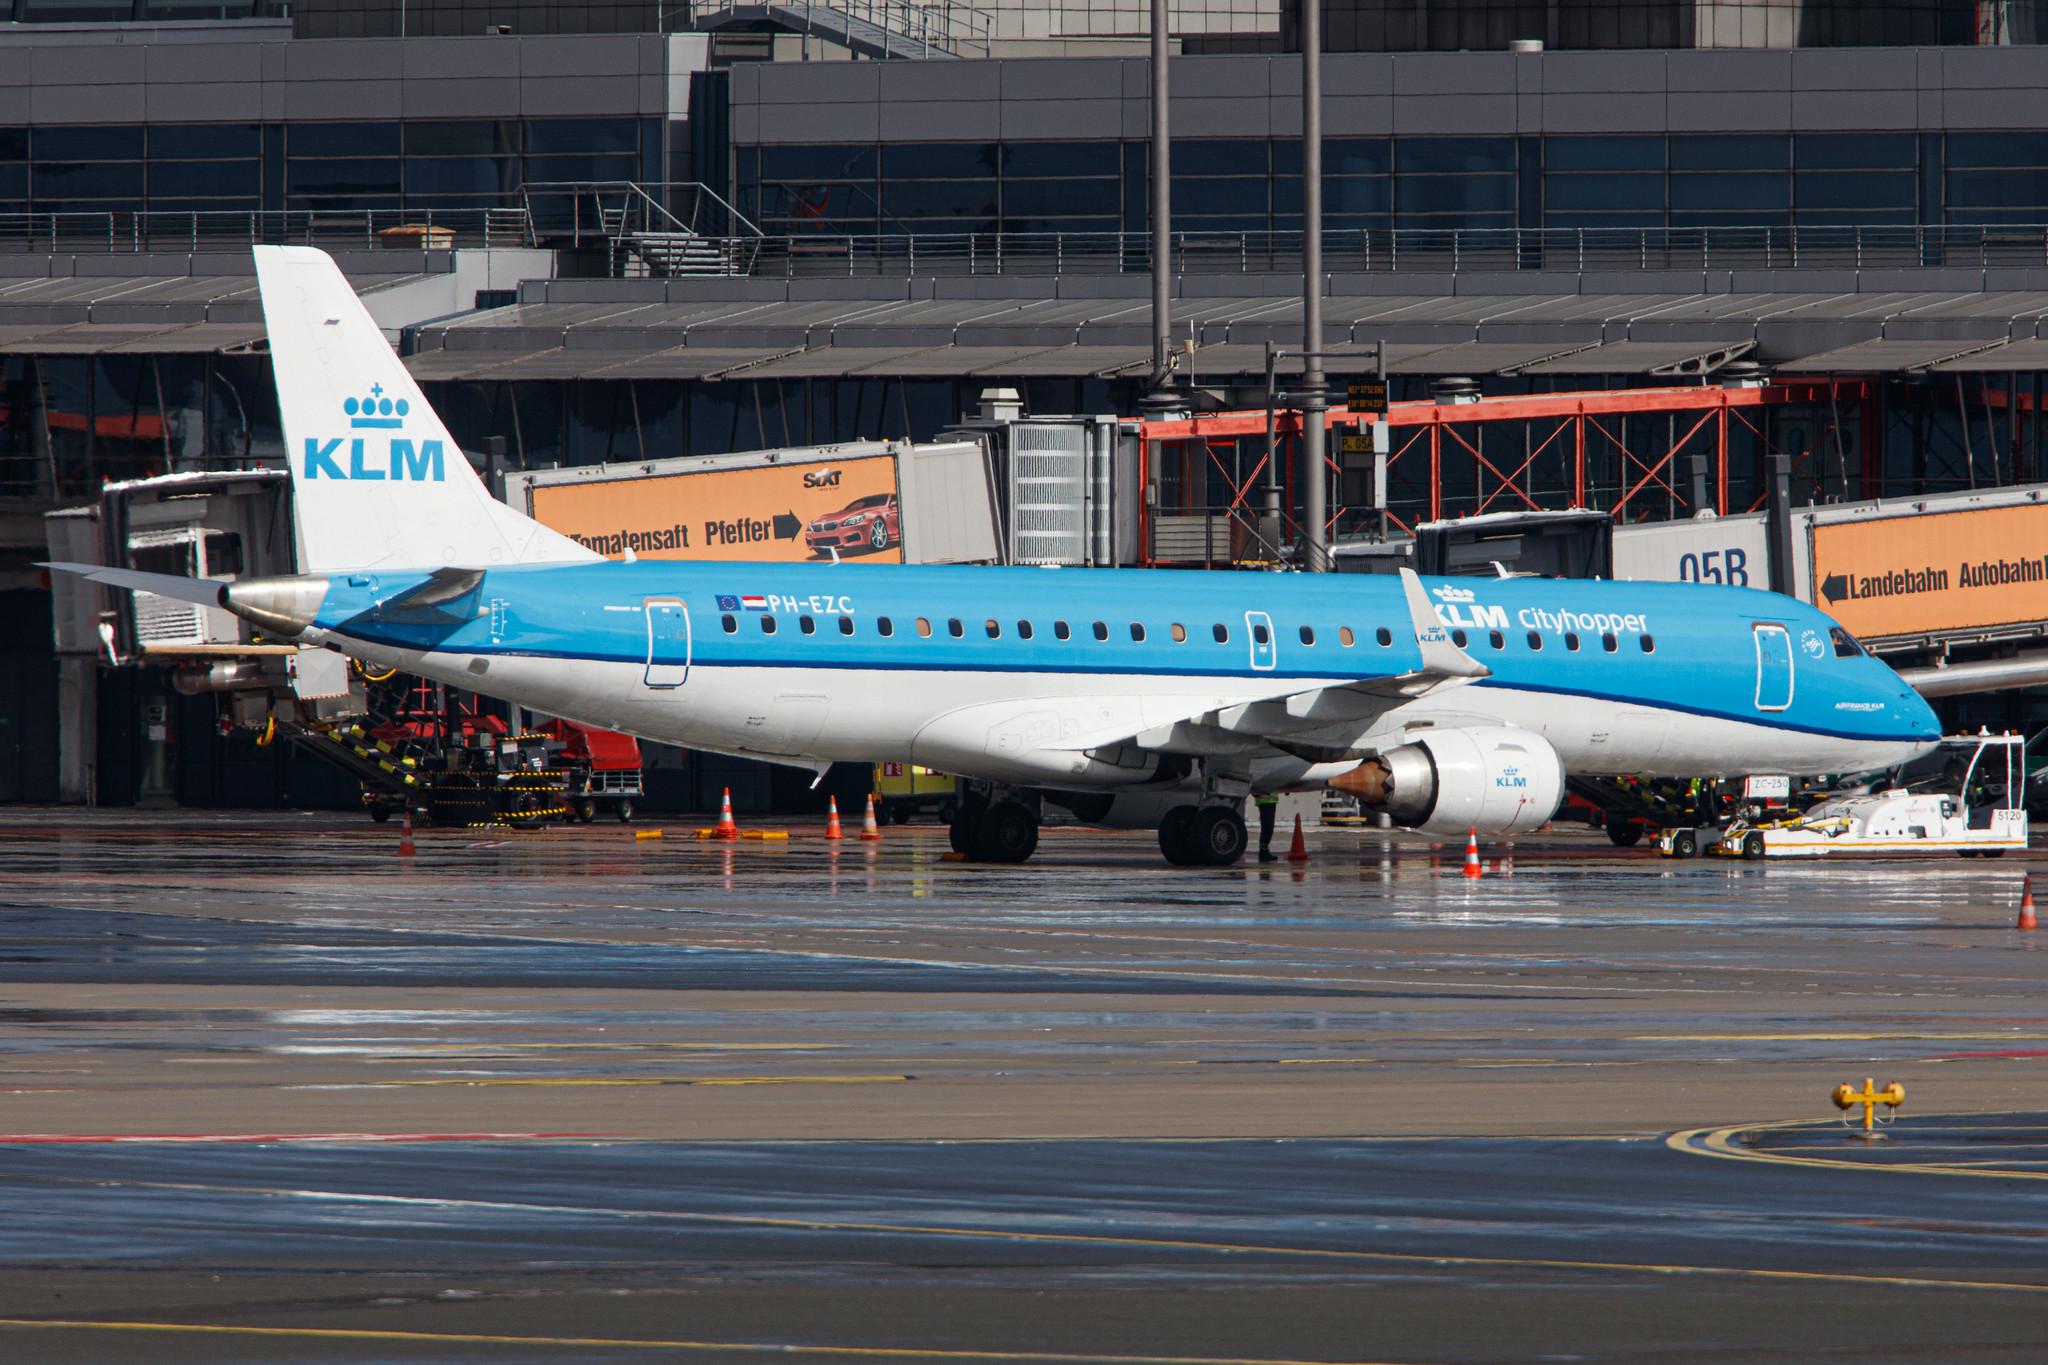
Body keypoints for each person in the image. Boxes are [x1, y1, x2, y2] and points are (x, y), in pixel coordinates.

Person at [1255, 793, 1279, 861]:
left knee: (1268, 826)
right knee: (1267, 826)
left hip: (1269, 800)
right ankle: (1263, 851)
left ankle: (1264, 850)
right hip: (1265, 799)